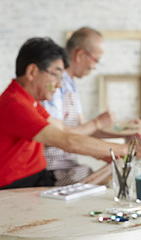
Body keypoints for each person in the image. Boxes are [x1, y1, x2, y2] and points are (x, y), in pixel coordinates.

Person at [0, 37, 141, 191]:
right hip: (19, 188)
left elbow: (66, 132)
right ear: (32, 72)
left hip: (37, 178)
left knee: (112, 172)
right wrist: (127, 149)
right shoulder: (16, 105)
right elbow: (67, 141)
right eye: (56, 75)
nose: (59, 85)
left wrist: (115, 152)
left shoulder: (29, 101)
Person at [42, 27, 120, 186]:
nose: (95, 67)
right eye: (96, 60)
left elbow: (83, 130)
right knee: (103, 184)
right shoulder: (55, 85)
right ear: (80, 55)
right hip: (53, 171)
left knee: (112, 174)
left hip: (69, 167)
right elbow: (56, 137)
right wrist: (98, 123)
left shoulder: (70, 85)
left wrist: (126, 137)